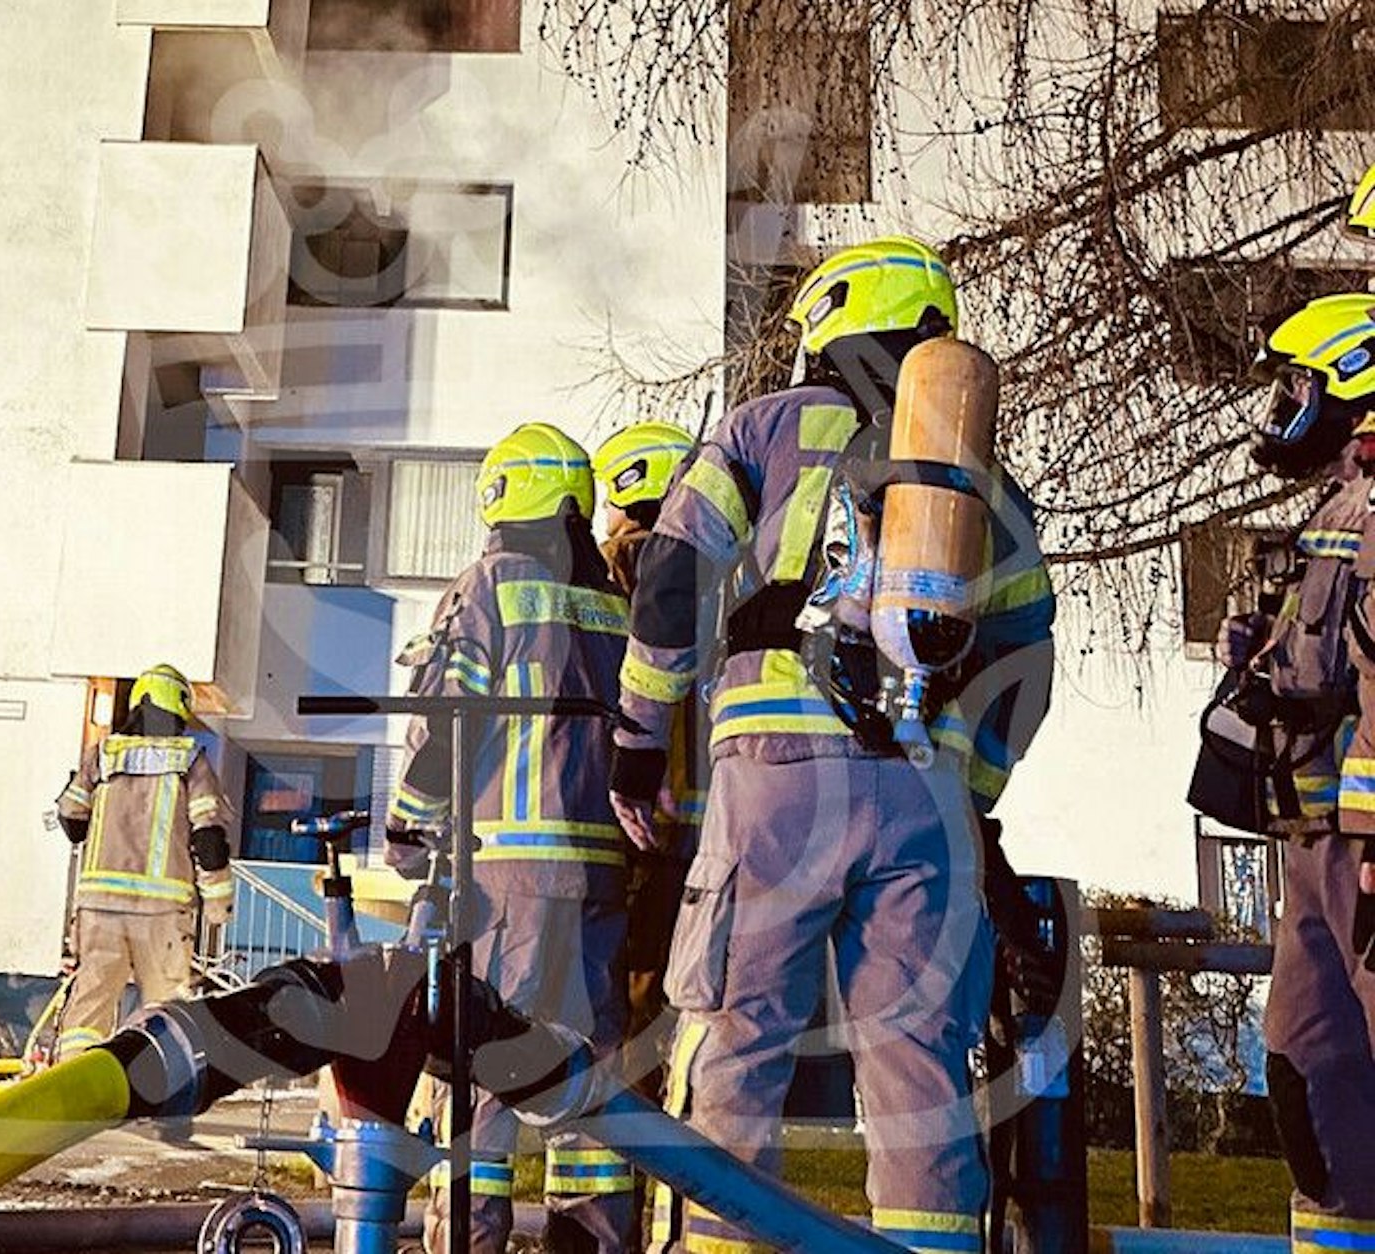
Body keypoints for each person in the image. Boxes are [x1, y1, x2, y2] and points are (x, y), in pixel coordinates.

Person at [611, 237, 1054, 1254]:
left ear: (830, 319)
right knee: (918, 1068)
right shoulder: (975, 478)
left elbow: (671, 576)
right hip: (924, 796)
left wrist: (638, 735)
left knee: (733, 1038)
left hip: (775, 782)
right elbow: (1026, 654)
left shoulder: (762, 427)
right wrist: (970, 789)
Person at [385, 421, 634, 1254]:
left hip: (504, 880)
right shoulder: (612, 607)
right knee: (584, 1087)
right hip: (600, 884)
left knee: (481, 1078)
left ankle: (468, 1246)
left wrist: (408, 833)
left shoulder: (489, 585)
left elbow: (443, 722)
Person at [1228, 284, 1375, 1251]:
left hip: (1363, 859)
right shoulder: (1337, 508)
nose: (1284, 413)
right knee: (1307, 1082)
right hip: (1313, 856)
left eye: (1299, 389)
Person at [51, 664, 234, 1059]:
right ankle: (159, 1090)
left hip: (99, 908)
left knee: (91, 1003)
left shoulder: (101, 754)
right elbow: (208, 836)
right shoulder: (191, 759)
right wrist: (218, 902)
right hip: (162, 912)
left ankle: (74, 1083)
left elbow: (71, 820)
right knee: (165, 1008)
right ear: (180, 710)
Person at [590, 421, 703, 1054]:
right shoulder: (722, 568)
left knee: (630, 999)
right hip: (712, 831)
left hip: (638, 824)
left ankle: (629, 1146)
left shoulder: (621, 567)